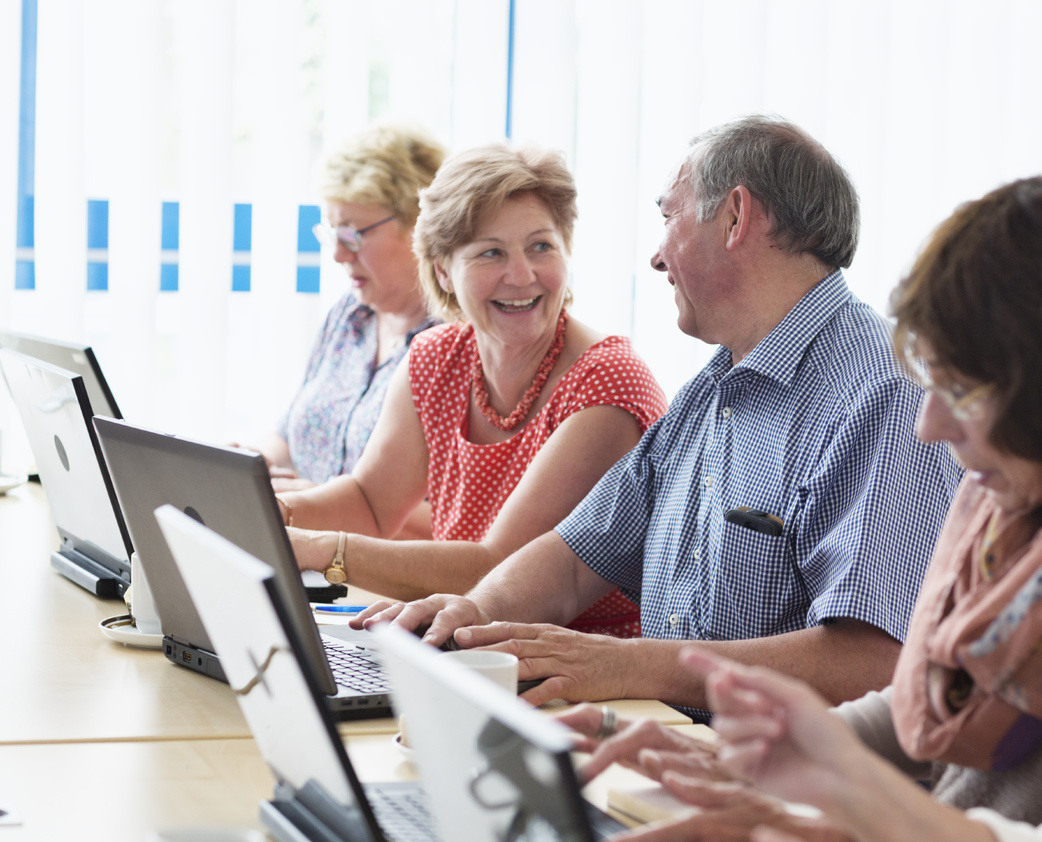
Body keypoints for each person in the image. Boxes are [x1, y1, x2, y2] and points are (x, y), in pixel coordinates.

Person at [560, 176, 1042, 842]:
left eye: (964, 390)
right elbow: (923, 700)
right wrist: (740, 757)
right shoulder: (999, 500)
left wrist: (838, 837)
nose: (929, 423)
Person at [352, 115, 963, 714]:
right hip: (680, 751)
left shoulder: (883, 393)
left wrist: (628, 664)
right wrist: (473, 617)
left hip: (785, 784)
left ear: (735, 217)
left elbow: (877, 662)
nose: (655, 256)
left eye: (669, 216)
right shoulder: (715, 385)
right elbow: (573, 559)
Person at [279, 144, 667, 639]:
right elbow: (370, 502)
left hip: (583, 677)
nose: (522, 274)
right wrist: (271, 511)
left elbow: (500, 570)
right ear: (443, 269)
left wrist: (320, 548)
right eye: (491, 252)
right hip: (463, 648)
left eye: (541, 247)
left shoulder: (607, 385)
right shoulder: (436, 358)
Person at [251, 122, 445, 498]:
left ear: (420, 226)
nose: (338, 254)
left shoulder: (456, 344)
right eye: (332, 234)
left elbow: (461, 520)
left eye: (352, 234)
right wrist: (249, 464)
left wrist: (323, 503)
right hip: (299, 543)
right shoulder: (349, 315)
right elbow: (290, 433)